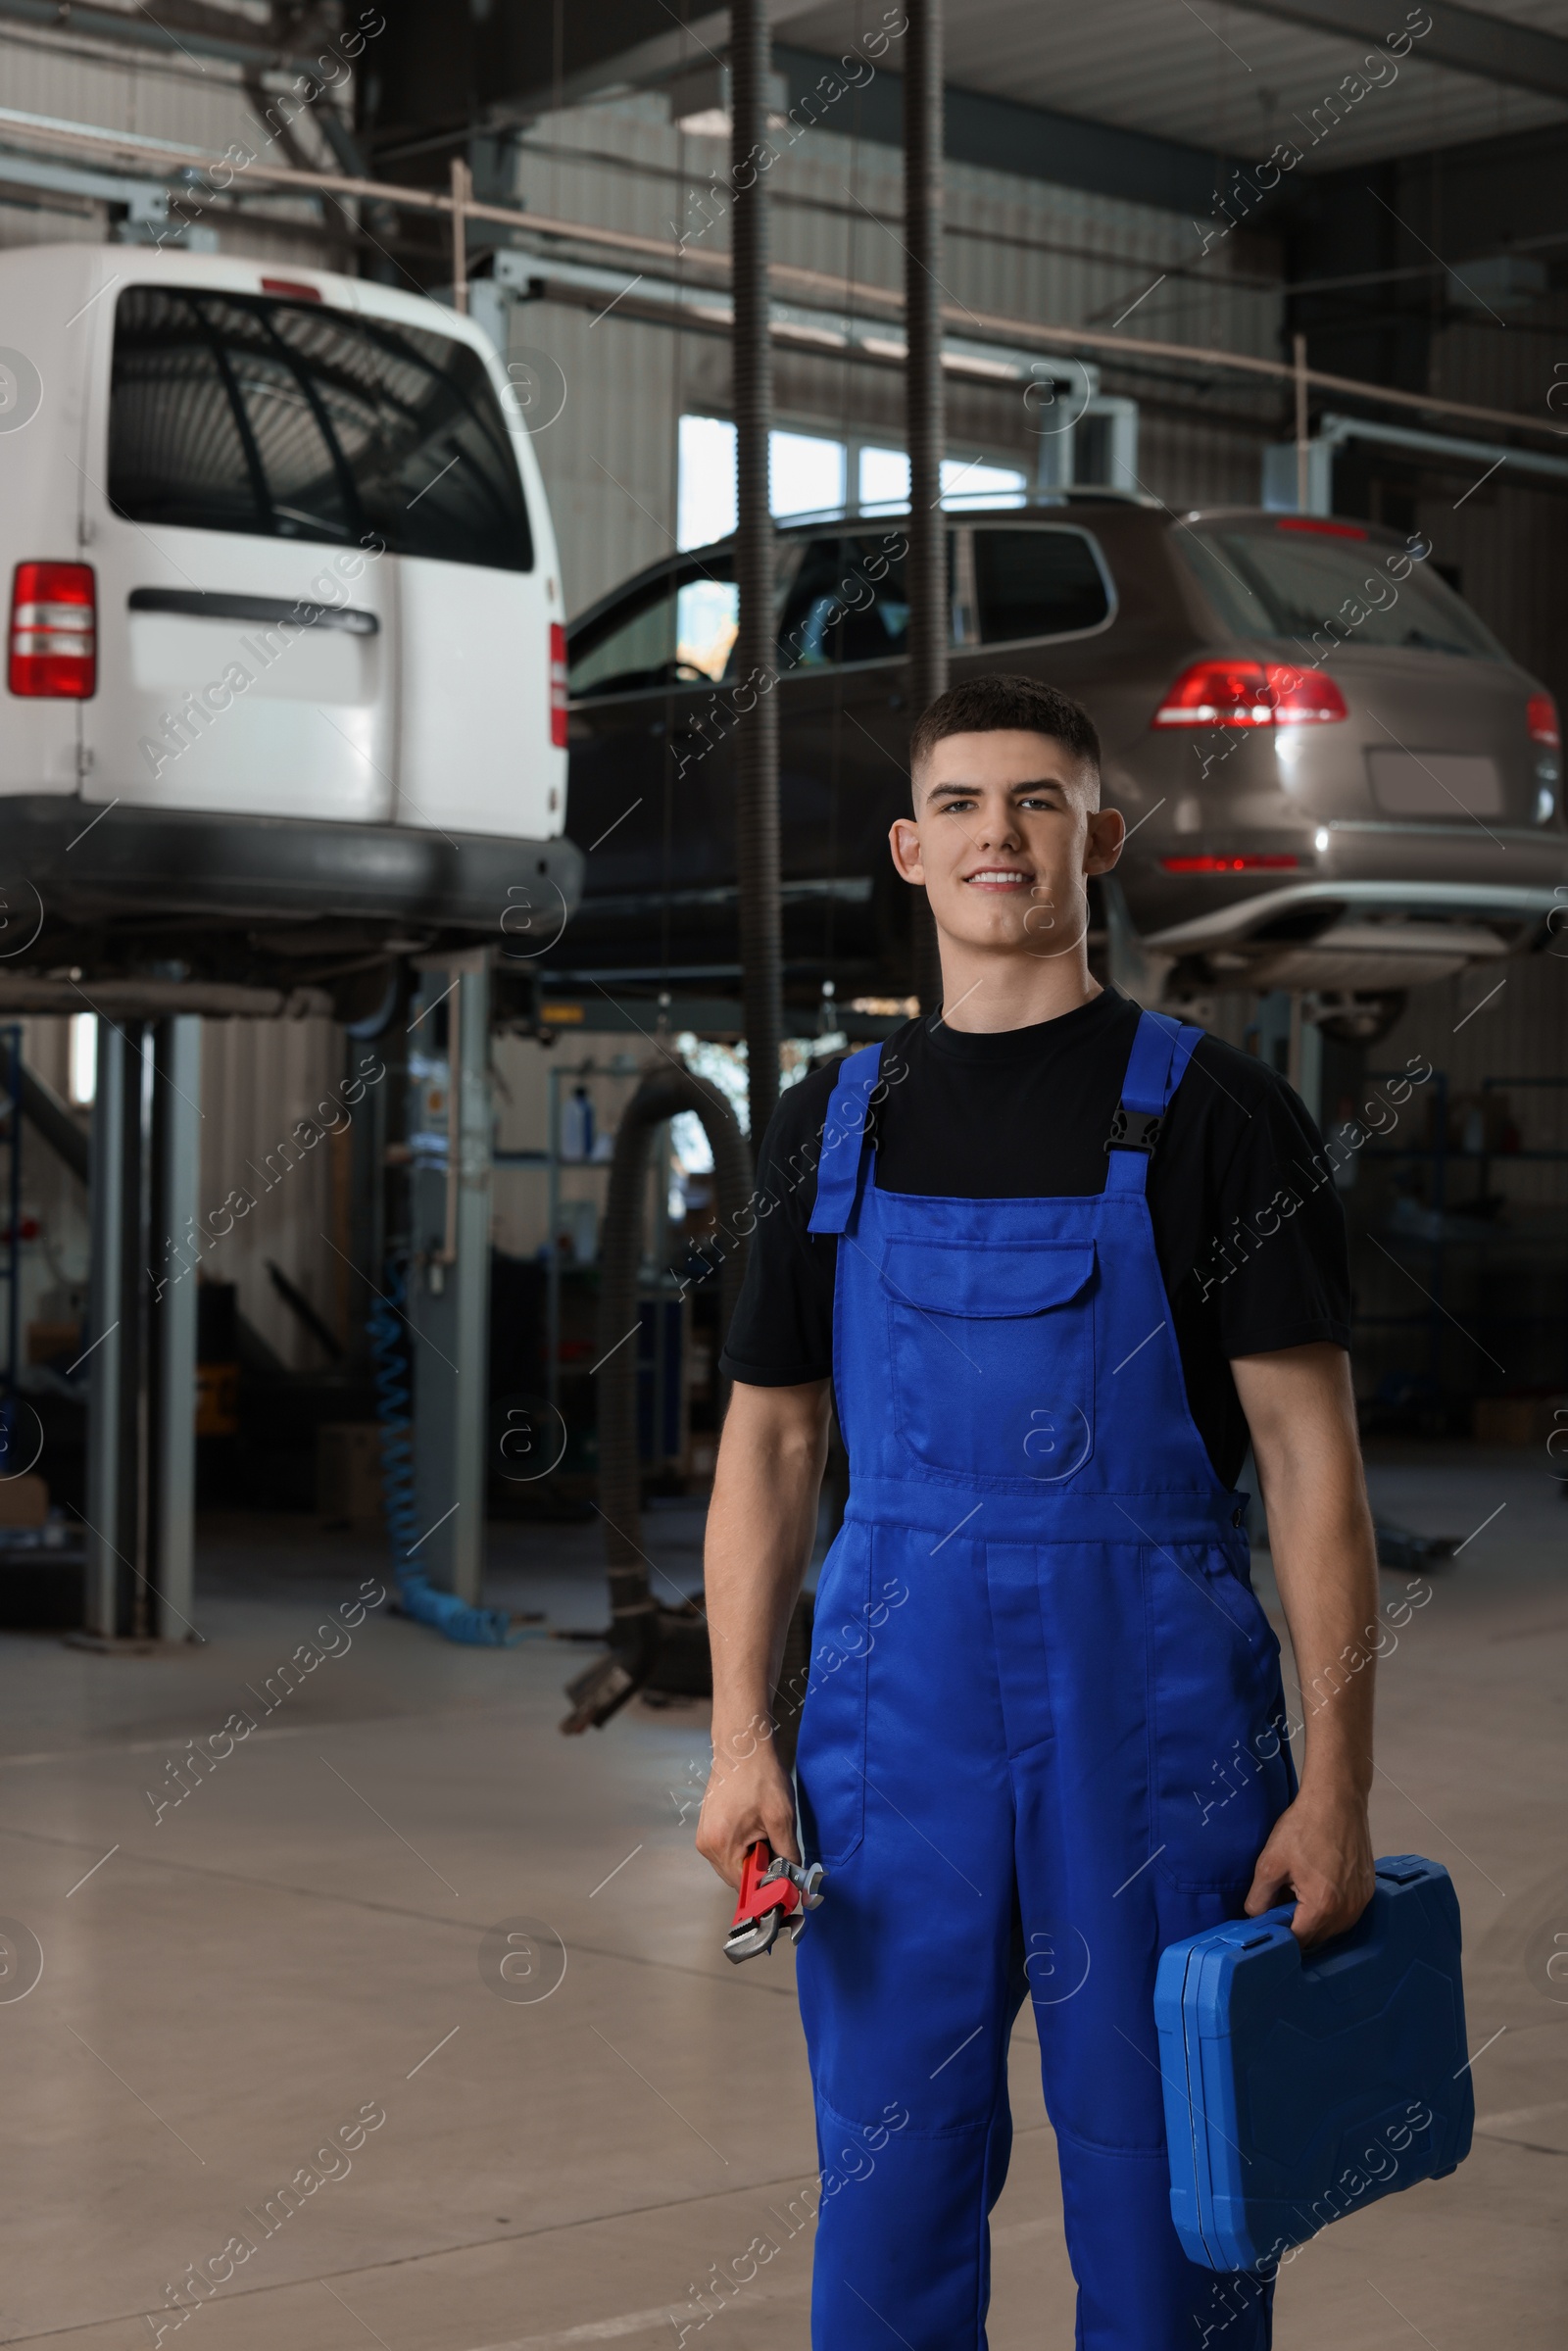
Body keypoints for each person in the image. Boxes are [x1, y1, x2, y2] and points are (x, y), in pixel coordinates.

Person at [696, 672, 1379, 2350]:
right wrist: (735, 1739)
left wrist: (1341, 1782)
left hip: (1153, 1721)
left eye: (1040, 801)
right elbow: (771, 1450)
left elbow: (1311, 1465)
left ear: (1101, 837)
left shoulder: (1216, 1113)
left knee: (1168, 2185)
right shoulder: (827, 1126)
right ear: (910, 851)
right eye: (964, 804)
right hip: (890, 1714)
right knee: (889, 2174)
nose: (999, 833)